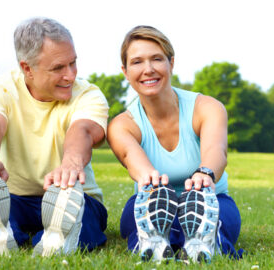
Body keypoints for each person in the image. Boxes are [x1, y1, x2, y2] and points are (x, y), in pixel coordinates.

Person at [0, 17, 109, 256]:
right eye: (58, 68)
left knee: (85, 223)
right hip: (16, 197)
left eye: (73, 63)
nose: (70, 75)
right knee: (6, 213)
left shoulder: (88, 94)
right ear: (27, 68)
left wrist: (70, 164)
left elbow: (83, 130)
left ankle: (57, 236)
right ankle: (1, 234)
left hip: (75, 196)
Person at [107, 25, 243, 263]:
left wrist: (205, 174)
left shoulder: (207, 108)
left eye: (157, 59)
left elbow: (216, 150)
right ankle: (152, 242)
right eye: (137, 62)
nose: (148, 70)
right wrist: (152, 181)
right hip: (150, 201)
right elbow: (132, 158)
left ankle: (206, 242)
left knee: (217, 221)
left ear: (171, 63)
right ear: (125, 71)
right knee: (137, 217)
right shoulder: (122, 125)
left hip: (211, 200)